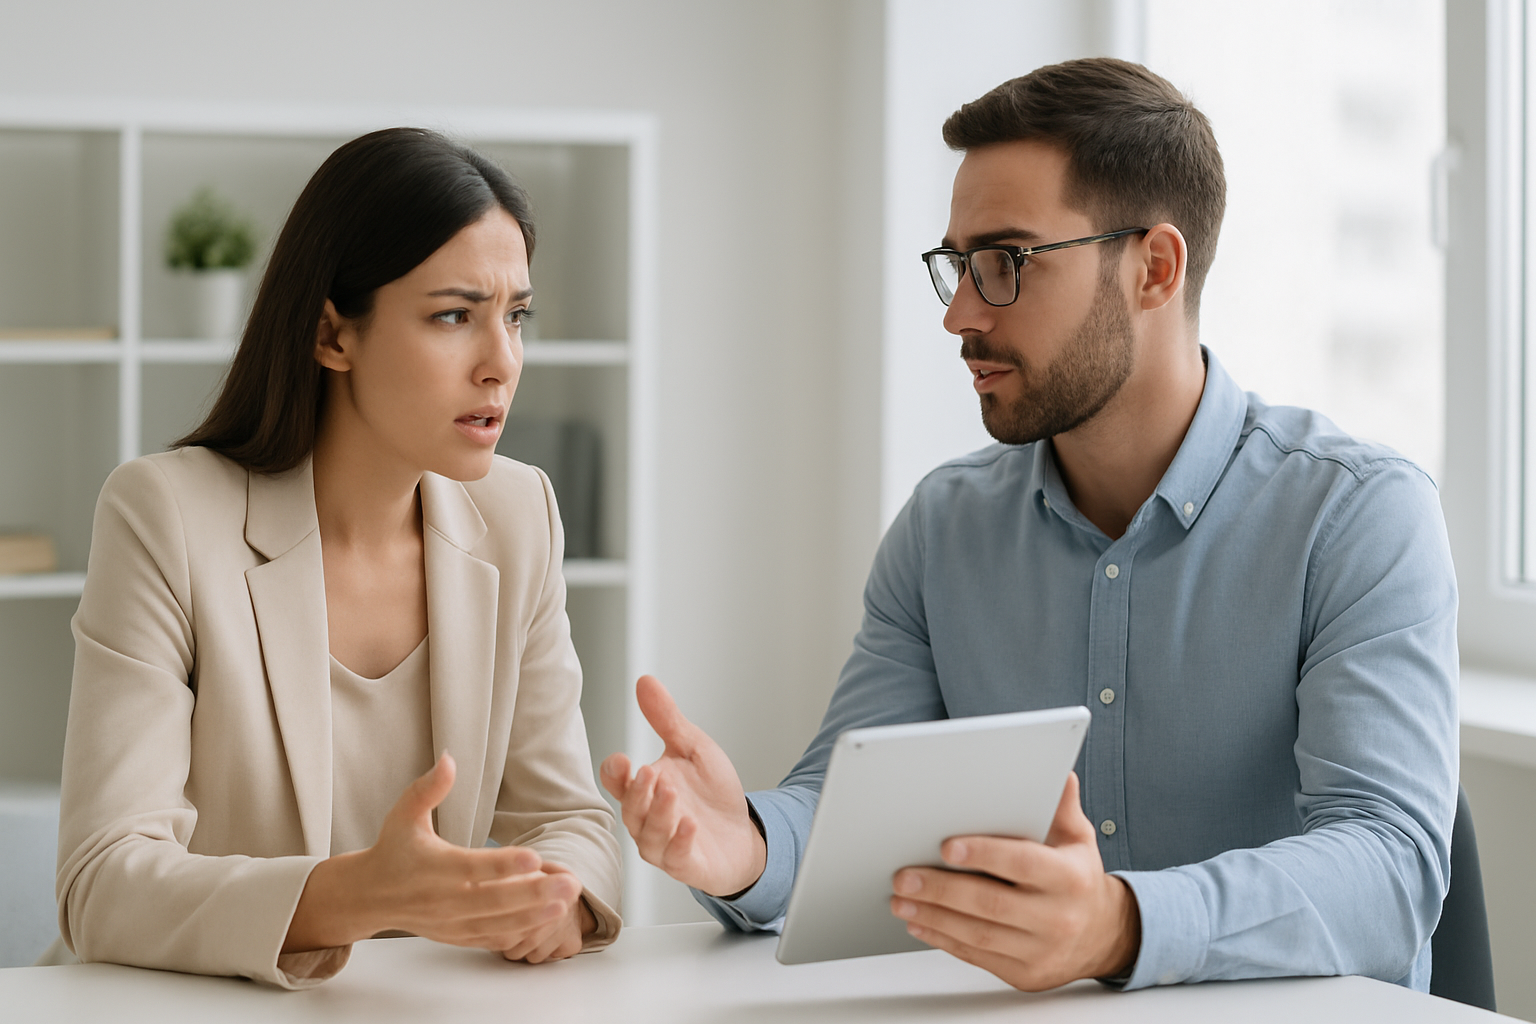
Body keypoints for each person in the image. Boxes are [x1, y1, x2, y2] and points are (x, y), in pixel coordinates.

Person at [601, 58, 1457, 992]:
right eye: (957, 266)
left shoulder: (1357, 515)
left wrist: (1121, 927)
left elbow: (1390, 867)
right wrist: (752, 848)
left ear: (1155, 269)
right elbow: (847, 820)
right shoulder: (944, 528)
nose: (961, 314)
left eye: (1005, 262)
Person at [53, 128, 622, 989]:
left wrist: (553, 898)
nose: (501, 363)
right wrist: (354, 896)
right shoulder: (163, 514)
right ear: (330, 333)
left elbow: (570, 818)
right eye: (453, 316)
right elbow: (102, 881)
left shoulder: (519, 514)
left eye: (516, 317)